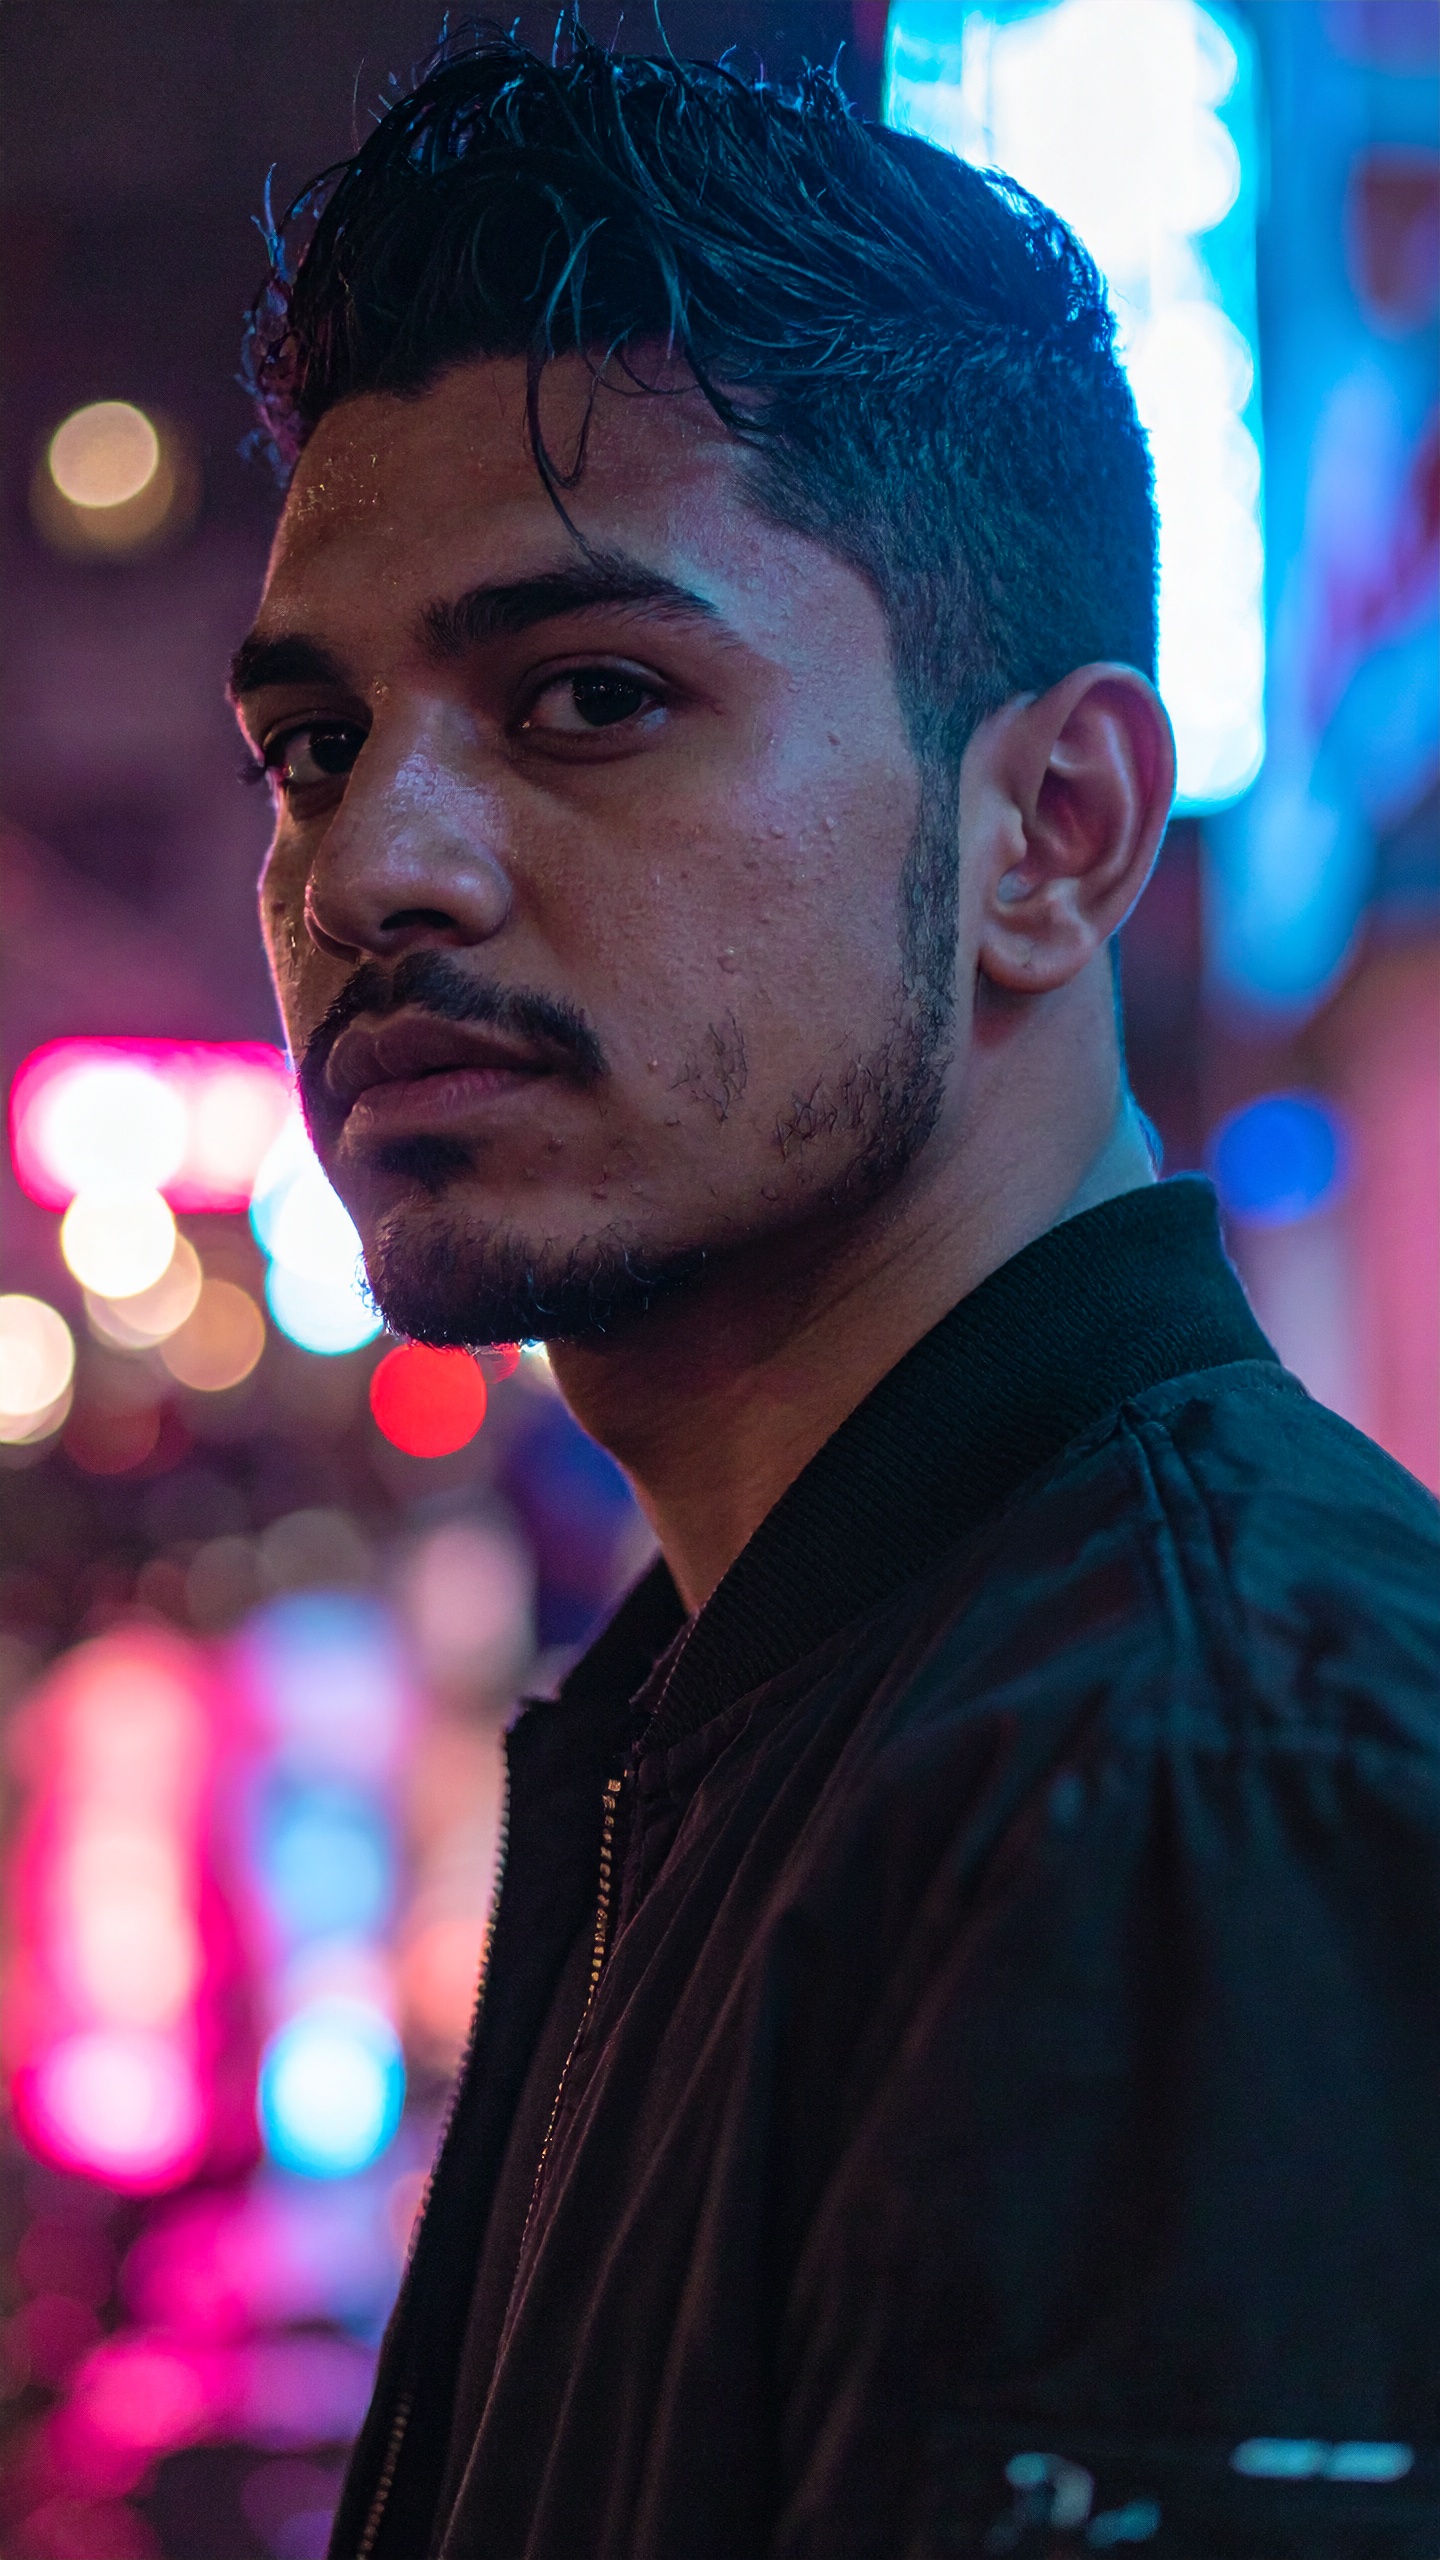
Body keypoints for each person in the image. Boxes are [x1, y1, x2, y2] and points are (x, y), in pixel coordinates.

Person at [230, 29, 1439, 2559]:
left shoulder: (1180, 1793)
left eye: (590, 697)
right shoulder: (752, 1701)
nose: (376, 872)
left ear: (1054, 829)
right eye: (318, 745)